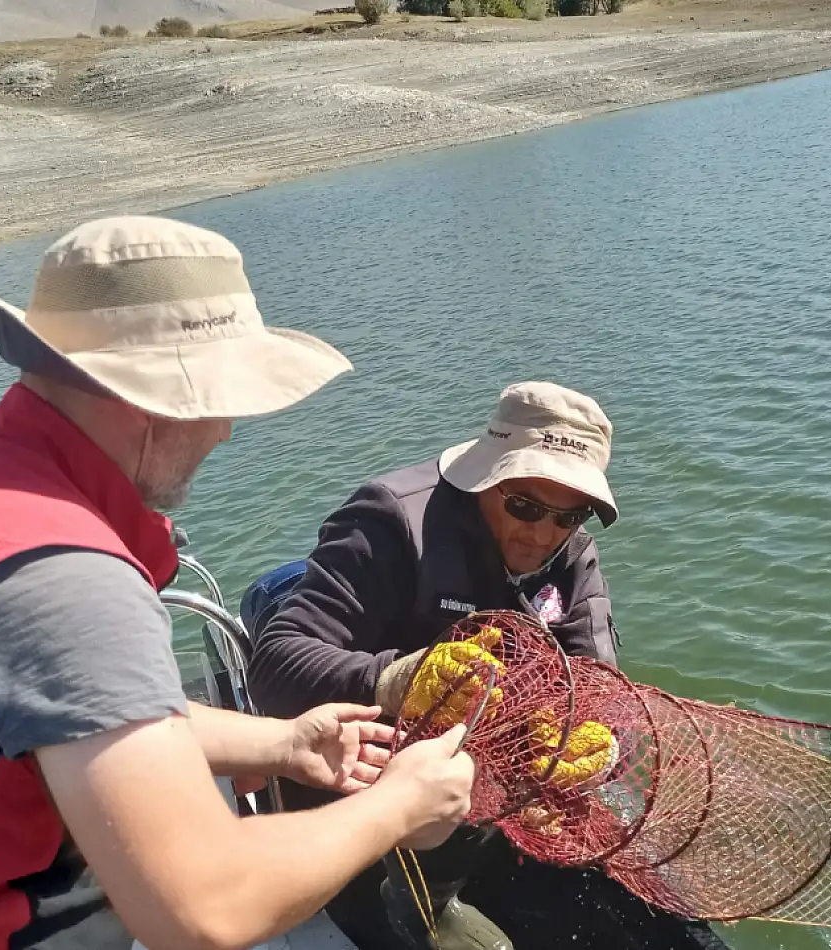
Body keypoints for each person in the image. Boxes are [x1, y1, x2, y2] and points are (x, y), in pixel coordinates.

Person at [0, 216, 476, 950]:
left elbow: (62, 713)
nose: (226, 431)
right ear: (147, 396)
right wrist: (396, 807)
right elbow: (204, 906)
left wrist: (278, 742)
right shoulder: (58, 573)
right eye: (220, 401)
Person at [248, 382, 729, 950]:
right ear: (488, 475)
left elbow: (601, 685)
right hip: (371, 798)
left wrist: (593, 744)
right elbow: (277, 663)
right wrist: (398, 679)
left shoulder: (570, 554)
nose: (542, 533)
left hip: (505, 803)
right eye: (524, 506)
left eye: (567, 517)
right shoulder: (390, 519)